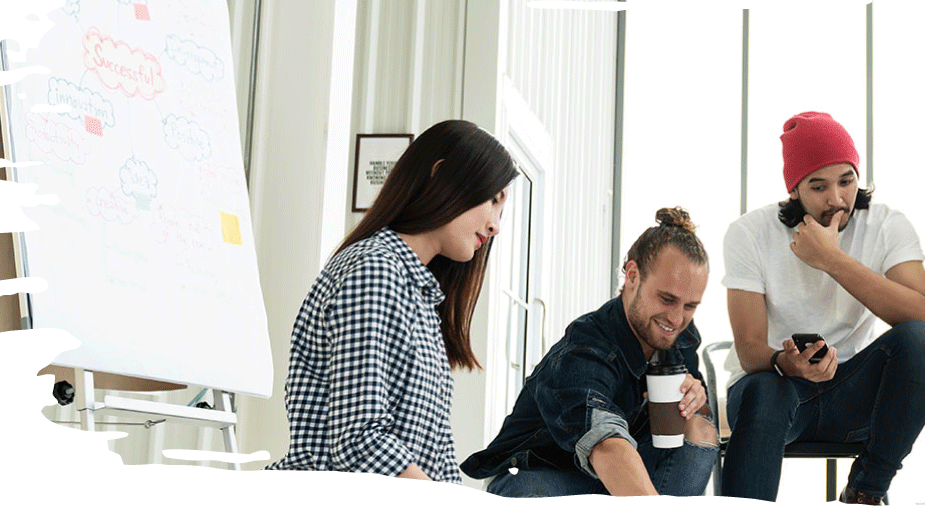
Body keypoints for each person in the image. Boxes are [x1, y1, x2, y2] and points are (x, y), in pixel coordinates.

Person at [265, 119, 517, 483]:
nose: (495, 225)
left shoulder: (420, 295)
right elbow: (359, 441)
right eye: (492, 200)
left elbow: (437, 455)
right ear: (441, 175)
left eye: (501, 210)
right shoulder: (374, 270)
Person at [718, 111, 925, 504]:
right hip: (771, 389)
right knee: (767, 391)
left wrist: (832, 259)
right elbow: (749, 348)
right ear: (794, 190)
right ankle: (745, 521)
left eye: (847, 180)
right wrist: (787, 363)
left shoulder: (886, 225)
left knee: (922, 343)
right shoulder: (750, 233)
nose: (837, 199)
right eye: (818, 186)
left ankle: (865, 490)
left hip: (849, 392)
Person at [461, 207, 718, 497]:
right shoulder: (586, 347)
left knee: (700, 429)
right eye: (666, 299)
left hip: (621, 478)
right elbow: (607, 445)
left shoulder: (681, 336)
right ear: (632, 275)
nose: (676, 319)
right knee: (527, 492)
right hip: (550, 476)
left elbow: (696, 422)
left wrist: (697, 400)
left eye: (689, 306)